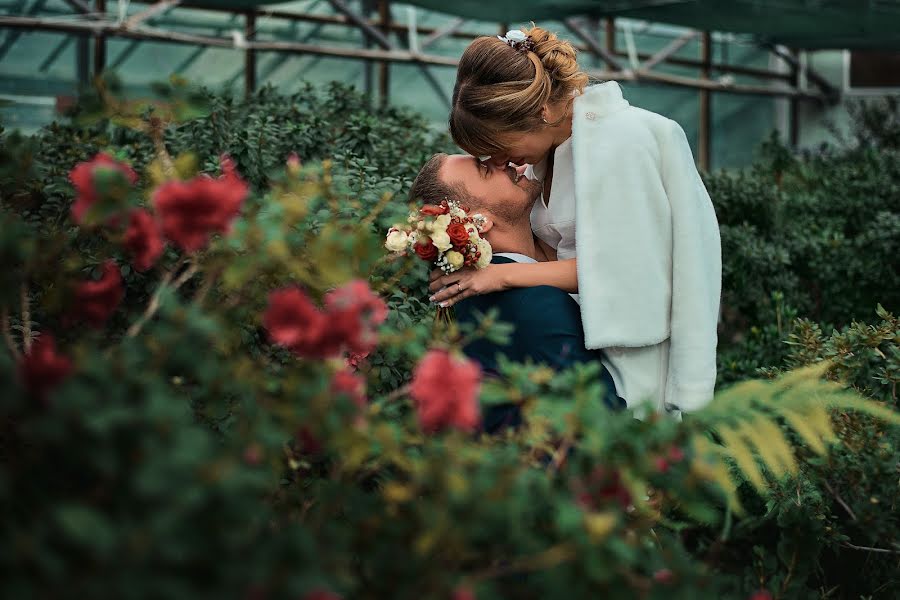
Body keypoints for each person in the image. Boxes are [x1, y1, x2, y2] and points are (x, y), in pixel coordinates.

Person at [428, 26, 722, 417]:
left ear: (541, 111)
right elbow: (554, 253)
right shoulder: (547, 156)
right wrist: (466, 257)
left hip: (634, 359)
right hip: (578, 346)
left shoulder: (624, 142)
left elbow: (626, 271)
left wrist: (500, 277)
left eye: (498, 147)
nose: (500, 162)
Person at [408, 152, 625, 433]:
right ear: (478, 222)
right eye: (484, 169)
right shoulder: (535, 305)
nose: (502, 160)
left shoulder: (488, 296)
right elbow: (603, 425)